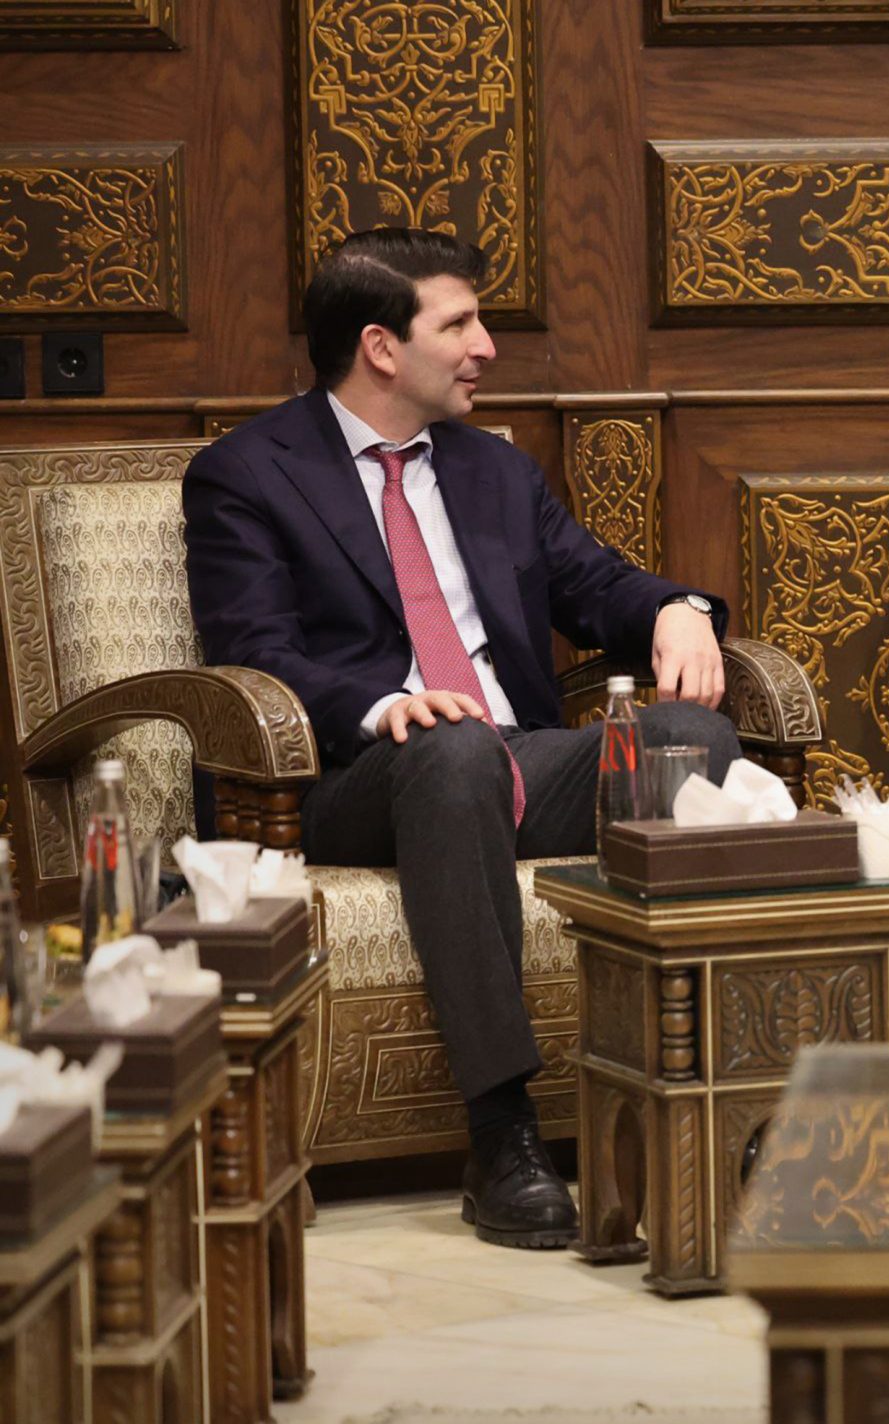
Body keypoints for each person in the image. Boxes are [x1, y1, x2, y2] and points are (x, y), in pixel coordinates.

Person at [183, 228, 743, 1249]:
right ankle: (502, 1133)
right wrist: (379, 704)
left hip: (512, 758)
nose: (486, 345)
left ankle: (699, 1086)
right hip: (357, 774)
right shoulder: (248, 473)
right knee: (450, 749)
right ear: (381, 347)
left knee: (688, 733)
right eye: (461, 324)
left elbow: (596, 584)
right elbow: (252, 649)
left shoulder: (493, 470)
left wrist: (677, 608)